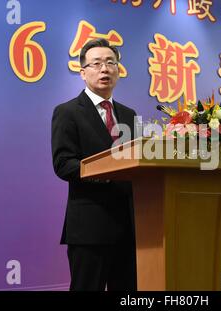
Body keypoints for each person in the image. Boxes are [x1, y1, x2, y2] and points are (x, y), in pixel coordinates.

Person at [51, 38, 137, 291]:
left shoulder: (129, 114)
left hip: (130, 227)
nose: (105, 69)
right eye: (97, 63)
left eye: (111, 63)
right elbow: (64, 163)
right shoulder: (67, 112)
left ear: (118, 71)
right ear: (83, 72)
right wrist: (108, 174)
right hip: (90, 227)